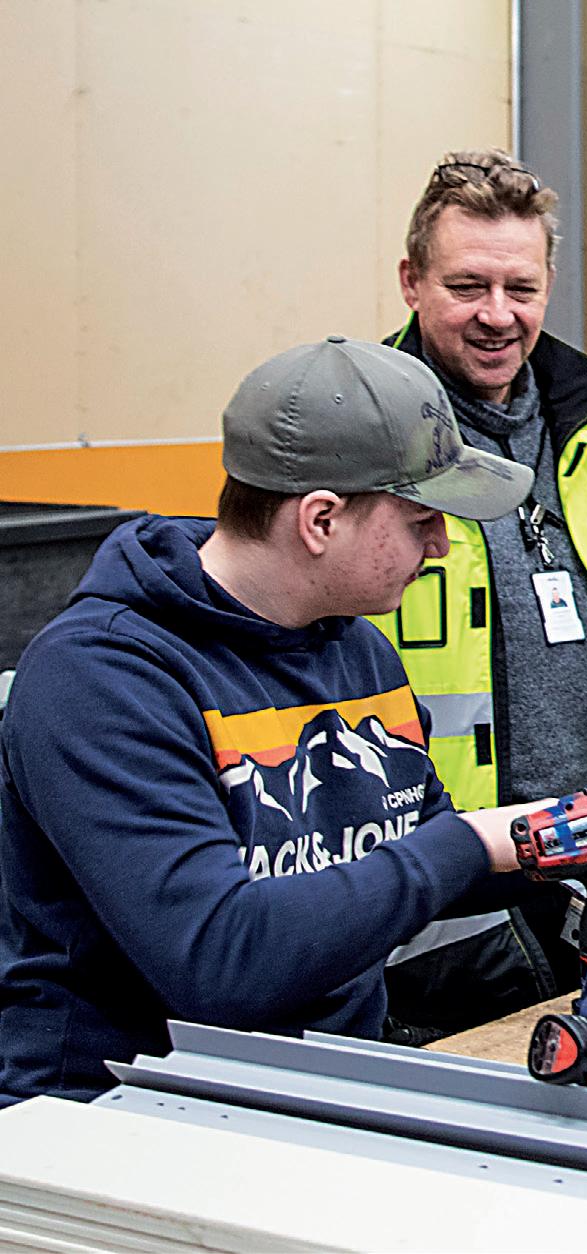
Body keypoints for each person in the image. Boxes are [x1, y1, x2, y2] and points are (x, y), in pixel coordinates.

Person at [0, 337, 545, 1105]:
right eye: (422, 518)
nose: (442, 545)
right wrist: (469, 844)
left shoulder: (355, 648)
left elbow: (412, 863)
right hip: (123, 1118)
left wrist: (580, 836)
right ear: (320, 520)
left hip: (320, 1091)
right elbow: (222, 961)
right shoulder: (102, 678)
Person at [377, 149, 587, 1034]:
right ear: (411, 282)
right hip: (453, 879)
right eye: (467, 286)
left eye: (522, 288)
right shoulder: (364, 434)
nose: (497, 315)